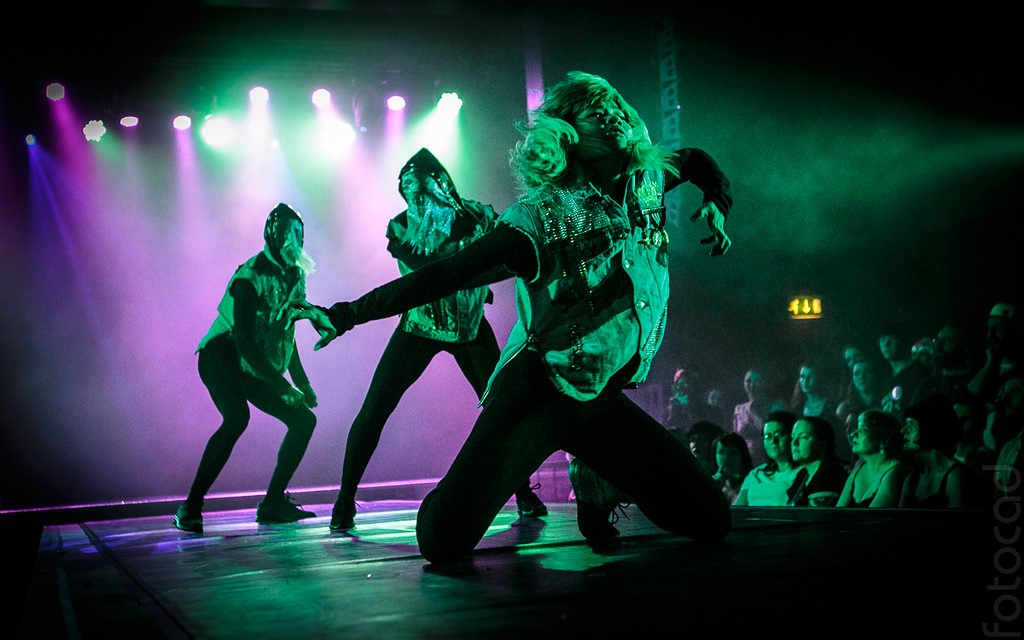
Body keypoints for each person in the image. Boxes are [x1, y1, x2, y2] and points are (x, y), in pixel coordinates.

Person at [296, 71, 734, 562]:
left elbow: (695, 160)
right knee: (442, 542)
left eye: (615, 104)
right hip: (536, 396)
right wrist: (348, 313)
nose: (613, 113)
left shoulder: (649, 181)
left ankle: (594, 477)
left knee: (710, 519)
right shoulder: (542, 218)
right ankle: (467, 483)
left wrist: (717, 202)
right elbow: (442, 276)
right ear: (565, 135)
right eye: (595, 111)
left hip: (599, 401)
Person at [326, 148, 546, 532]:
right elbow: (427, 273)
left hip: (469, 327)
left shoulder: (479, 215)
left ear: (442, 182)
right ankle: (345, 499)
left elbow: (499, 252)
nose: (416, 199)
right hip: (419, 328)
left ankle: (522, 491)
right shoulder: (400, 228)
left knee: (503, 405)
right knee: (376, 407)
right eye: (409, 193)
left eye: (422, 189)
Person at [173, 203, 334, 533]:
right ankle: (190, 506)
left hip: (254, 363)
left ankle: (273, 502)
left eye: (300, 235)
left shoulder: (294, 275)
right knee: (236, 418)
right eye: (290, 234)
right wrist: (283, 386)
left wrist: (302, 382)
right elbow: (244, 341)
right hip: (222, 354)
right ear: (273, 236)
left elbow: (285, 332)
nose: (296, 241)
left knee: (303, 420)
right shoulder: (249, 277)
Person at [899, 393, 985, 509]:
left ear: (930, 428)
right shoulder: (912, 480)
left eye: (912, 424)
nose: (903, 431)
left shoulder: (956, 477)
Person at [836, 410, 913, 508]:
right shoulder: (857, 472)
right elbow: (837, 514)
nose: (853, 434)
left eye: (863, 430)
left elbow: (873, 519)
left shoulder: (896, 471)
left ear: (883, 440)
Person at [734, 410, 801, 507]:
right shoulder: (756, 473)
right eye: (767, 436)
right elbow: (738, 510)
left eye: (779, 435)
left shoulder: (802, 473)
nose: (773, 441)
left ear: (792, 436)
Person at [788, 361, 848, 464]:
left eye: (810, 376)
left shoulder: (831, 406)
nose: (805, 381)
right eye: (802, 376)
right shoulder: (797, 408)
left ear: (818, 378)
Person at [786, 415, 849, 507]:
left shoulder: (830, 475)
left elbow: (816, 518)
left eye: (804, 437)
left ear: (823, 443)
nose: (794, 443)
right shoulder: (802, 474)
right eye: (793, 437)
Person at [732, 367, 785, 468]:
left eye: (756, 381)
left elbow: (770, 433)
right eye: (748, 381)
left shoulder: (777, 406)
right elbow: (735, 439)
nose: (752, 385)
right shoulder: (739, 409)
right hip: (746, 461)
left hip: (770, 459)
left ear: (765, 383)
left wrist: (753, 413)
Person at [712, 432, 752, 505]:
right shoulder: (712, 483)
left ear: (742, 455)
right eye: (721, 452)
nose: (726, 457)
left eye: (732, 452)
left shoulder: (752, 483)